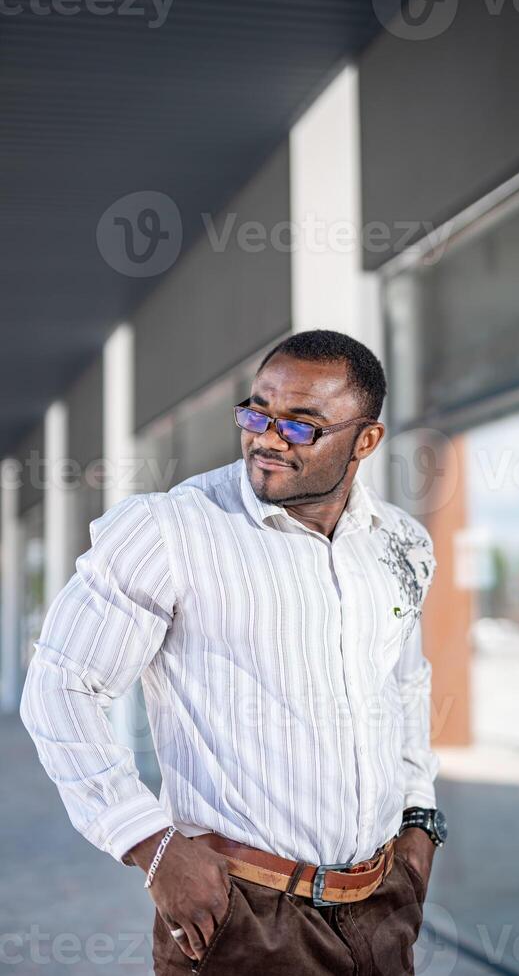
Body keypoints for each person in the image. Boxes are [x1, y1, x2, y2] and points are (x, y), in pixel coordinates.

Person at [20, 329, 447, 975]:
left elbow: (404, 685)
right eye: (256, 413)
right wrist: (150, 844)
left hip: (381, 904)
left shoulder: (402, 542)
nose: (267, 439)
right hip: (242, 913)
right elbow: (62, 687)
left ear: (366, 440)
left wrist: (420, 819)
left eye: (301, 426)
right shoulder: (170, 529)